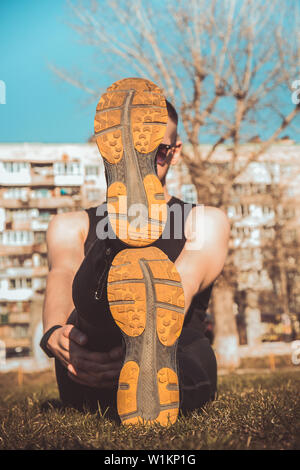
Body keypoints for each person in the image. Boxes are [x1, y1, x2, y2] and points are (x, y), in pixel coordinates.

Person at [41, 79, 230, 423]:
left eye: (157, 151)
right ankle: (116, 243)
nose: (149, 161)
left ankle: (151, 353)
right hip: (91, 356)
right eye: (137, 152)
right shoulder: (70, 224)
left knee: (184, 353)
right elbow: (63, 274)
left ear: (175, 152)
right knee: (97, 289)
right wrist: (56, 335)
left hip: (174, 348)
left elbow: (186, 278)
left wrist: (147, 339)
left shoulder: (204, 220)